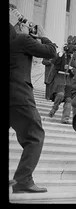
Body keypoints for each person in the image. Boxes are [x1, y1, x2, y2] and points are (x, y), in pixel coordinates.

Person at [10, 21, 57, 193]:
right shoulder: (21, 39)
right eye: (22, 21)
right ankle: (23, 180)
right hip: (19, 96)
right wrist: (42, 34)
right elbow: (51, 52)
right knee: (34, 136)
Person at [46, 43, 76, 124]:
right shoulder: (61, 56)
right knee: (60, 95)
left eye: (73, 53)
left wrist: (72, 69)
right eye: (70, 52)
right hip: (60, 78)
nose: (71, 54)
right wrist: (59, 55)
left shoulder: (74, 60)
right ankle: (54, 109)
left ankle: (65, 118)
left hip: (69, 80)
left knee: (69, 100)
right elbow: (54, 62)